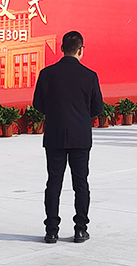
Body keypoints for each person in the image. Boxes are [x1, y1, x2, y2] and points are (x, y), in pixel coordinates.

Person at [33, 31, 104, 244]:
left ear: (61, 48)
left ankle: (51, 230)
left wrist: (55, 113)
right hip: (80, 135)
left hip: (55, 134)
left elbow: (38, 104)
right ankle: (80, 229)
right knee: (80, 183)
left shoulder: (47, 74)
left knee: (53, 182)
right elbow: (98, 108)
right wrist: (81, 115)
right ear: (81, 50)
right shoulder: (89, 76)